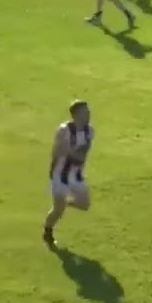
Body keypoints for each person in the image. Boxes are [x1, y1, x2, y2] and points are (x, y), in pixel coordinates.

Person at [43, 100, 94, 247]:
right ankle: (48, 231)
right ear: (76, 115)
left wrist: (78, 158)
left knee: (84, 205)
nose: (89, 114)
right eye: (85, 112)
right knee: (57, 211)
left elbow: (84, 152)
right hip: (60, 175)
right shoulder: (64, 130)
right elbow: (55, 152)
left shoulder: (89, 131)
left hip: (76, 174)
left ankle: (64, 203)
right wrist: (71, 153)